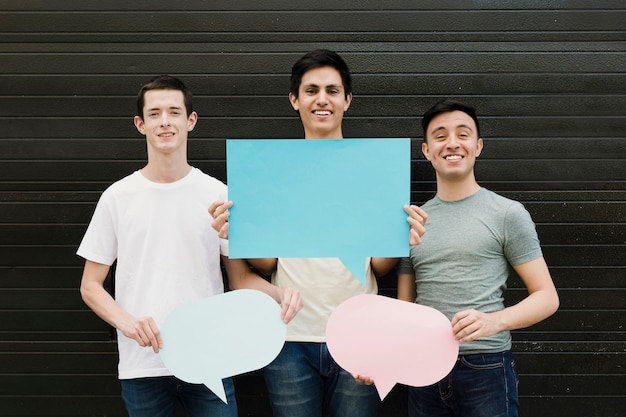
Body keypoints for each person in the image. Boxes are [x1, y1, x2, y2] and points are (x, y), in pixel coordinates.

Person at [209, 49, 427, 417]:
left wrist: (399, 240)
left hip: (359, 336)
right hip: (290, 339)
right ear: (295, 100)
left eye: (331, 90)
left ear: (347, 100)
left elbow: (379, 268)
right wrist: (238, 234)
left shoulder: (373, 172)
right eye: (311, 90)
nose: (321, 99)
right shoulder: (271, 174)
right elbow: (267, 263)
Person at [77, 75, 302, 417]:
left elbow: (239, 280)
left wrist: (280, 293)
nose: (164, 121)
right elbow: (91, 286)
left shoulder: (218, 195)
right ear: (140, 124)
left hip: (209, 359)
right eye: (154, 114)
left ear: (190, 120)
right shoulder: (117, 198)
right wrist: (126, 322)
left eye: (173, 112)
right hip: (143, 365)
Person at [397, 99, 560, 417]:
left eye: (463, 134)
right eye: (440, 136)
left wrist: (493, 321)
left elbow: (547, 297)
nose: (452, 143)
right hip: (424, 366)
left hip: (485, 366)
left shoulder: (507, 214)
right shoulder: (413, 221)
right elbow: (403, 310)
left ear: (478, 145)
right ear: (427, 150)